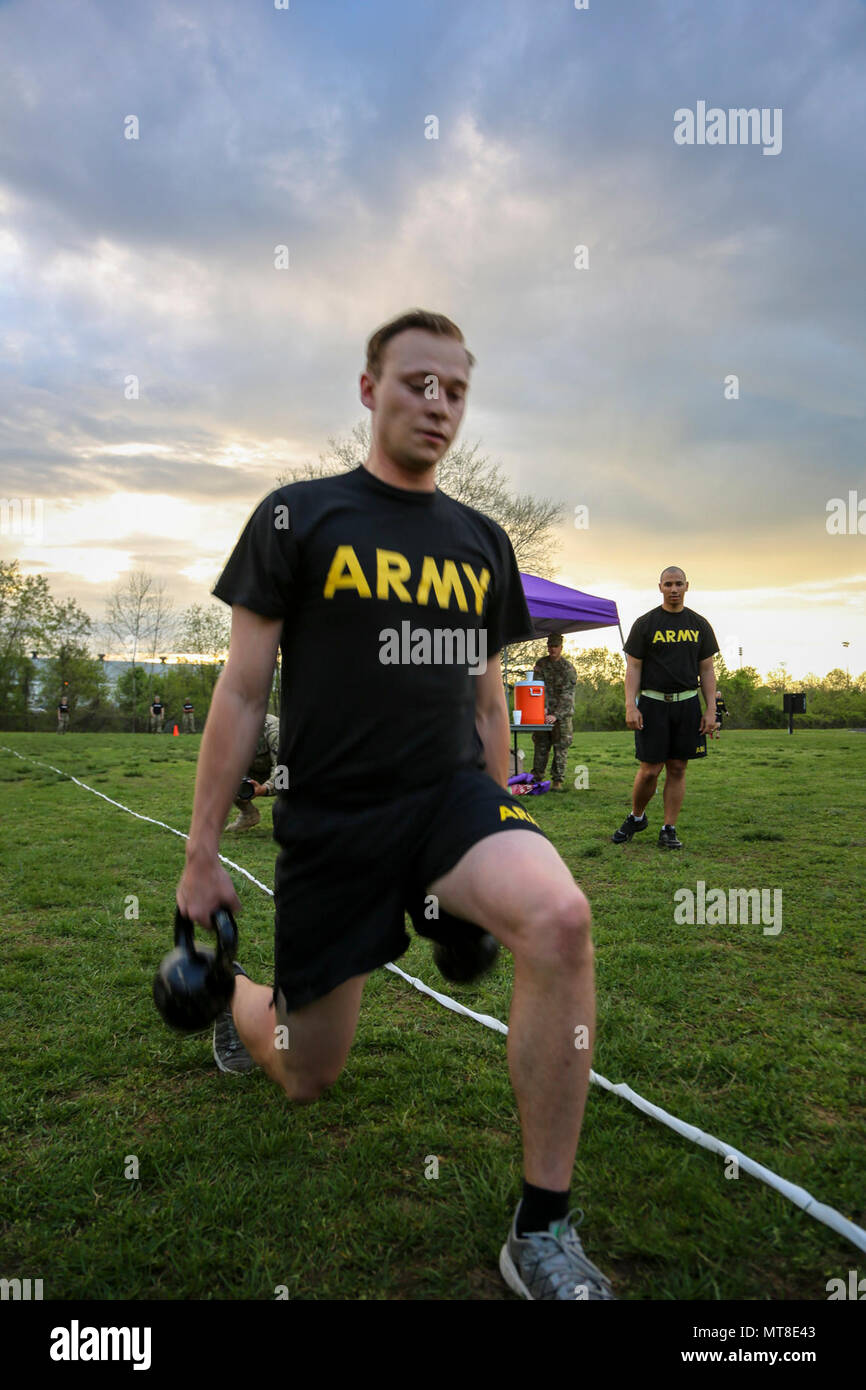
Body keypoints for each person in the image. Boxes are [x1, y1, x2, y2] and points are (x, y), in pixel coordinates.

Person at [176, 309, 613, 1302]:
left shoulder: (479, 540)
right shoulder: (299, 517)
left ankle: (540, 1227)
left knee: (558, 915)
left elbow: (485, 695)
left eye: (454, 390)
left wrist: (502, 819)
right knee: (304, 1070)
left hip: (446, 798)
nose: (437, 403)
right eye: (417, 382)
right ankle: (240, 1004)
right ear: (368, 389)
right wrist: (203, 854)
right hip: (331, 817)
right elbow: (242, 692)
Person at [611, 567, 719, 850]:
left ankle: (668, 828)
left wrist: (711, 710)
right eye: (668, 584)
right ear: (660, 587)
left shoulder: (699, 624)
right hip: (652, 703)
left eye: (679, 584)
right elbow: (633, 667)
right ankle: (636, 817)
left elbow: (707, 670)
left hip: (687, 704)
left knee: (678, 767)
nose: (674, 589)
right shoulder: (646, 624)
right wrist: (630, 706)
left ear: (687, 586)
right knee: (649, 770)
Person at [530, 633, 577, 791]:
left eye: (555, 646)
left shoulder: (568, 668)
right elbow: (536, 687)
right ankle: (536, 778)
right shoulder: (541, 664)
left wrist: (555, 715)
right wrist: (540, 709)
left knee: (560, 747)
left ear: (561, 647)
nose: (552, 649)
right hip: (542, 713)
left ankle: (557, 781)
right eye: (550, 646)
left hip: (561, 715)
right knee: (541, 746)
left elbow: (567, 696)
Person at [224, 712, 281, 832]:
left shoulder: (275, 731)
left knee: (284, 821)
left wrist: (264, 789)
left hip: (292, 772)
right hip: (258, 768)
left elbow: (284, 774)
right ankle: (249, 815)